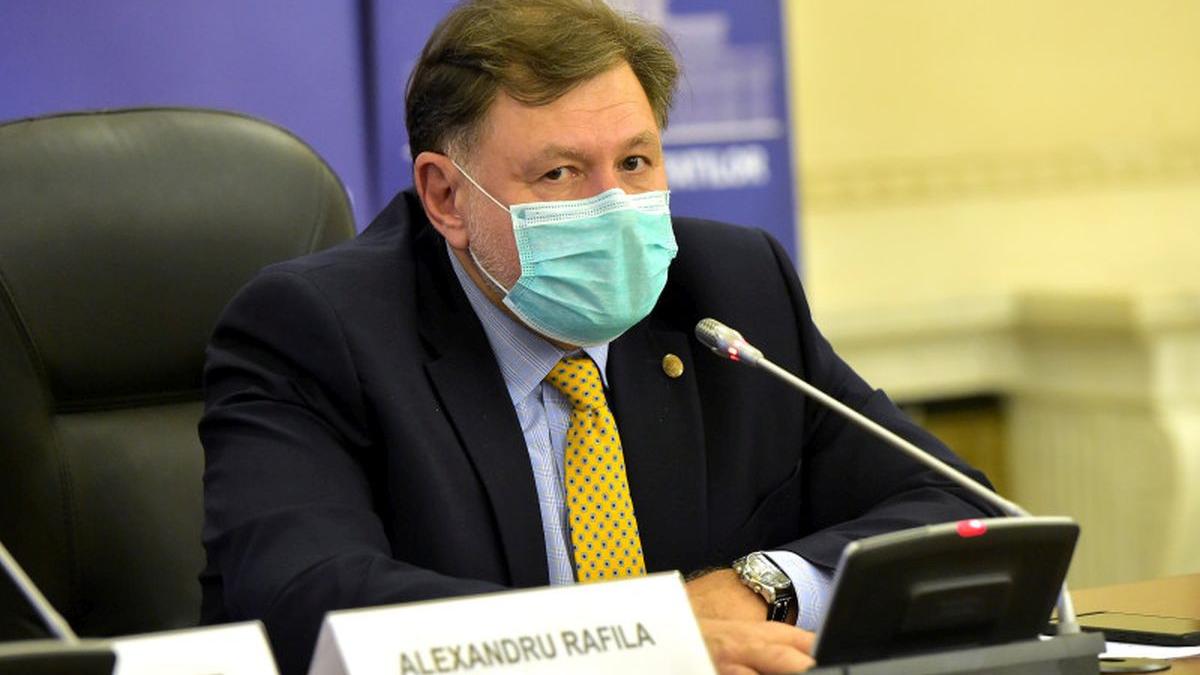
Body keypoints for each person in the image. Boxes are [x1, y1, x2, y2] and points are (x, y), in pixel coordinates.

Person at [199, 1, 999, 673]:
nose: (616, 207)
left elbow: (962, 509)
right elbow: (309, 602)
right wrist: (648, 641)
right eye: (560, 174)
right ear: (445, 196)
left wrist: (760, 584)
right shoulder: (318, 331)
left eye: (637, 162)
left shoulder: (731, 293)